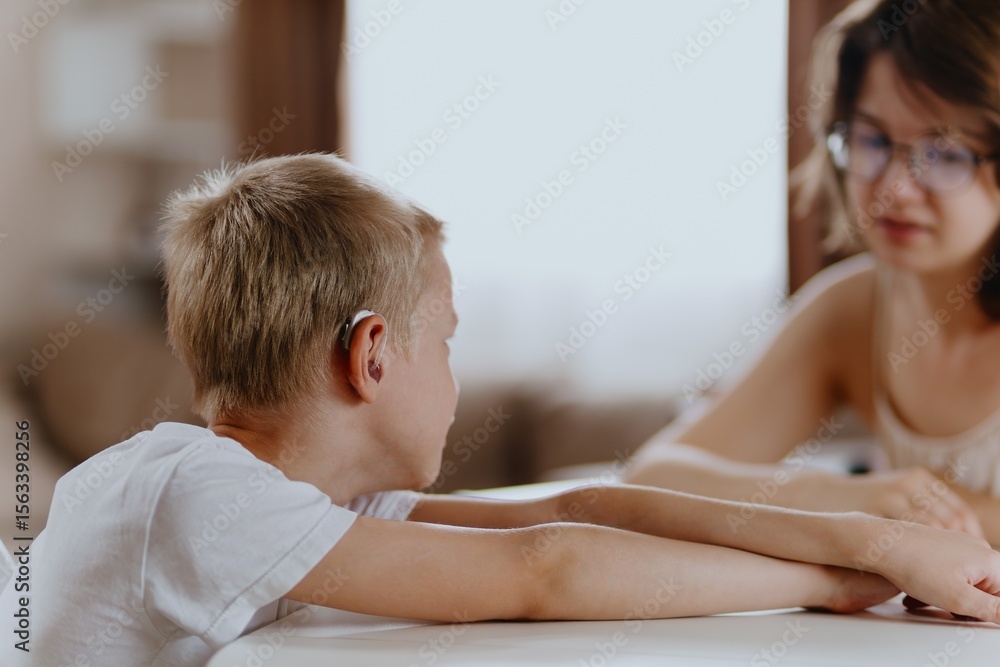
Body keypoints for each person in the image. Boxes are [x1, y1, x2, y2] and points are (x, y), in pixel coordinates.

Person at [5, 154, 1000, 667]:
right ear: (371, 355)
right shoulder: (196, 495)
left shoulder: (304, 501)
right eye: (447, 337)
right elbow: (543, 568)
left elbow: (577, 507)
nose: (453, 367)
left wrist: (864, 547)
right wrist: (836, 579)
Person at [624, 0, 1000, 545]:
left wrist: (939, 512)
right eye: (873, 141)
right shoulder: (855, 308)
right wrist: (833, 496)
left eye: (944, 154)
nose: (894, 188)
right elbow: (652, 480)